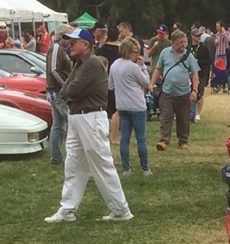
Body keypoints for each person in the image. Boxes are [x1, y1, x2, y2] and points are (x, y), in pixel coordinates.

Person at [44, 28, 131, 224]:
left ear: (86, 44)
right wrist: (69, 92)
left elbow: (70, 90)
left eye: (74, 41)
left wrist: (69, 92)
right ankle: (67, 209)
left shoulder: (91, 63)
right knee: (73, 164)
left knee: (101, 163)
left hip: (90, 118)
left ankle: (121, 209)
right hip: (78, 117)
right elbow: (66, 89)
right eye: (69, 41)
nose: (70, 44)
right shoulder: (79, 63)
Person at [150, 29, 199, 150]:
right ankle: (164, 140)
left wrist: (195, 90)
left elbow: (194, 74)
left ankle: (183, 141)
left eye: (185, 42)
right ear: (173, 42)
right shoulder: (165, 53)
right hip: (167, 92)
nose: (184, 45)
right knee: (166, 116)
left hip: (184, 93)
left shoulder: (189, 56)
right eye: (181, 42)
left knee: (183, 118)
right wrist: (152, 83)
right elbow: (158, 69)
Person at [109, 36, 151, 175]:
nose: (137, 55)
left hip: (122, 106)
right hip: (137, 106)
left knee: (124, 139)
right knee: (141, 139)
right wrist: (143, 67)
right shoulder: (134, 67)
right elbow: (146, 83)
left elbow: (110, 85)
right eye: (135, 52)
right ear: (128, 51)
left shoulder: (114, 65)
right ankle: (145, 168)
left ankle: (126, 169)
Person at [46, 25, 74, 165]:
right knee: (70, 122)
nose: (70, 40)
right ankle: (70, 155)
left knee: (58, 125)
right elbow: (54, 70)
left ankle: (56, 157)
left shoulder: (60, 49)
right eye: (68, 37)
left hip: (56, 91)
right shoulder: (57, 48)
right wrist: (65, 85)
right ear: (61, 36)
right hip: (58, 91)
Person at [190, 28, 211, 122]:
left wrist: (198, 61)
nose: (198, 38)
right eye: (196, 36)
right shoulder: (188, 48)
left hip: (201, 74)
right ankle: (190, 112)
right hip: (189, 75)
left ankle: (197, 113)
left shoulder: (204, 48)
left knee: (200, 94)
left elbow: (208, 62)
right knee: (189, 93)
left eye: (199, 36)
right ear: (192, 36)